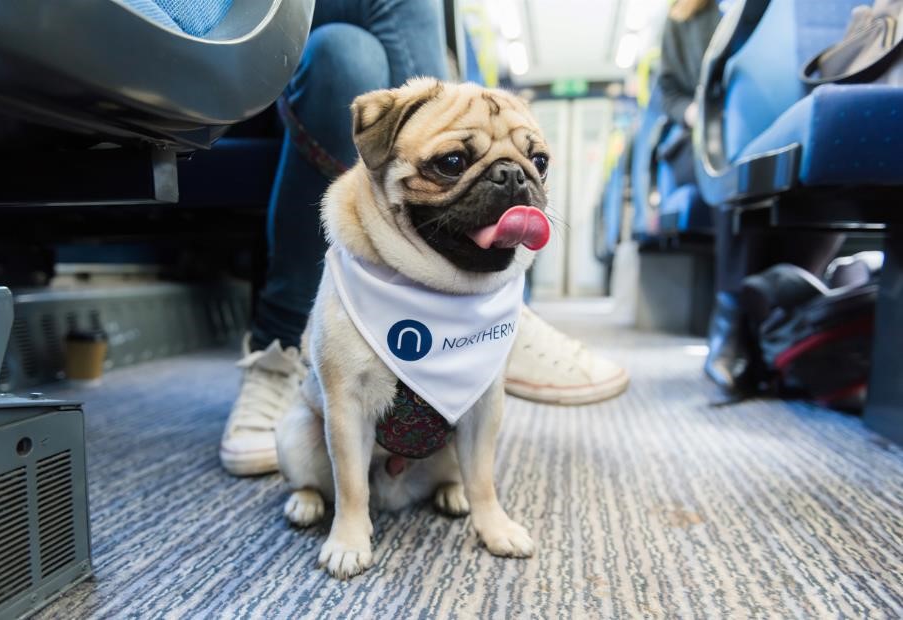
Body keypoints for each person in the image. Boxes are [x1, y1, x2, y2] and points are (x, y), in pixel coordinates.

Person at [218, 0, 630, 476]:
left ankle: (491, 307)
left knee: (344, 52)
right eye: (453, 161)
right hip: (243, 41)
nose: (510, 181)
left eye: (532, 163)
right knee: (344, 50)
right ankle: (283, 345)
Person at [658, 0, 843, 396]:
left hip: (776, 114)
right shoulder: (683, 15)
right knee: (740, 159)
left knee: (801, 165)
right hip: (701, 137)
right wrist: (697, 112)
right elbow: (669, 90)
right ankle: (732, 324)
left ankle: (781, 318)